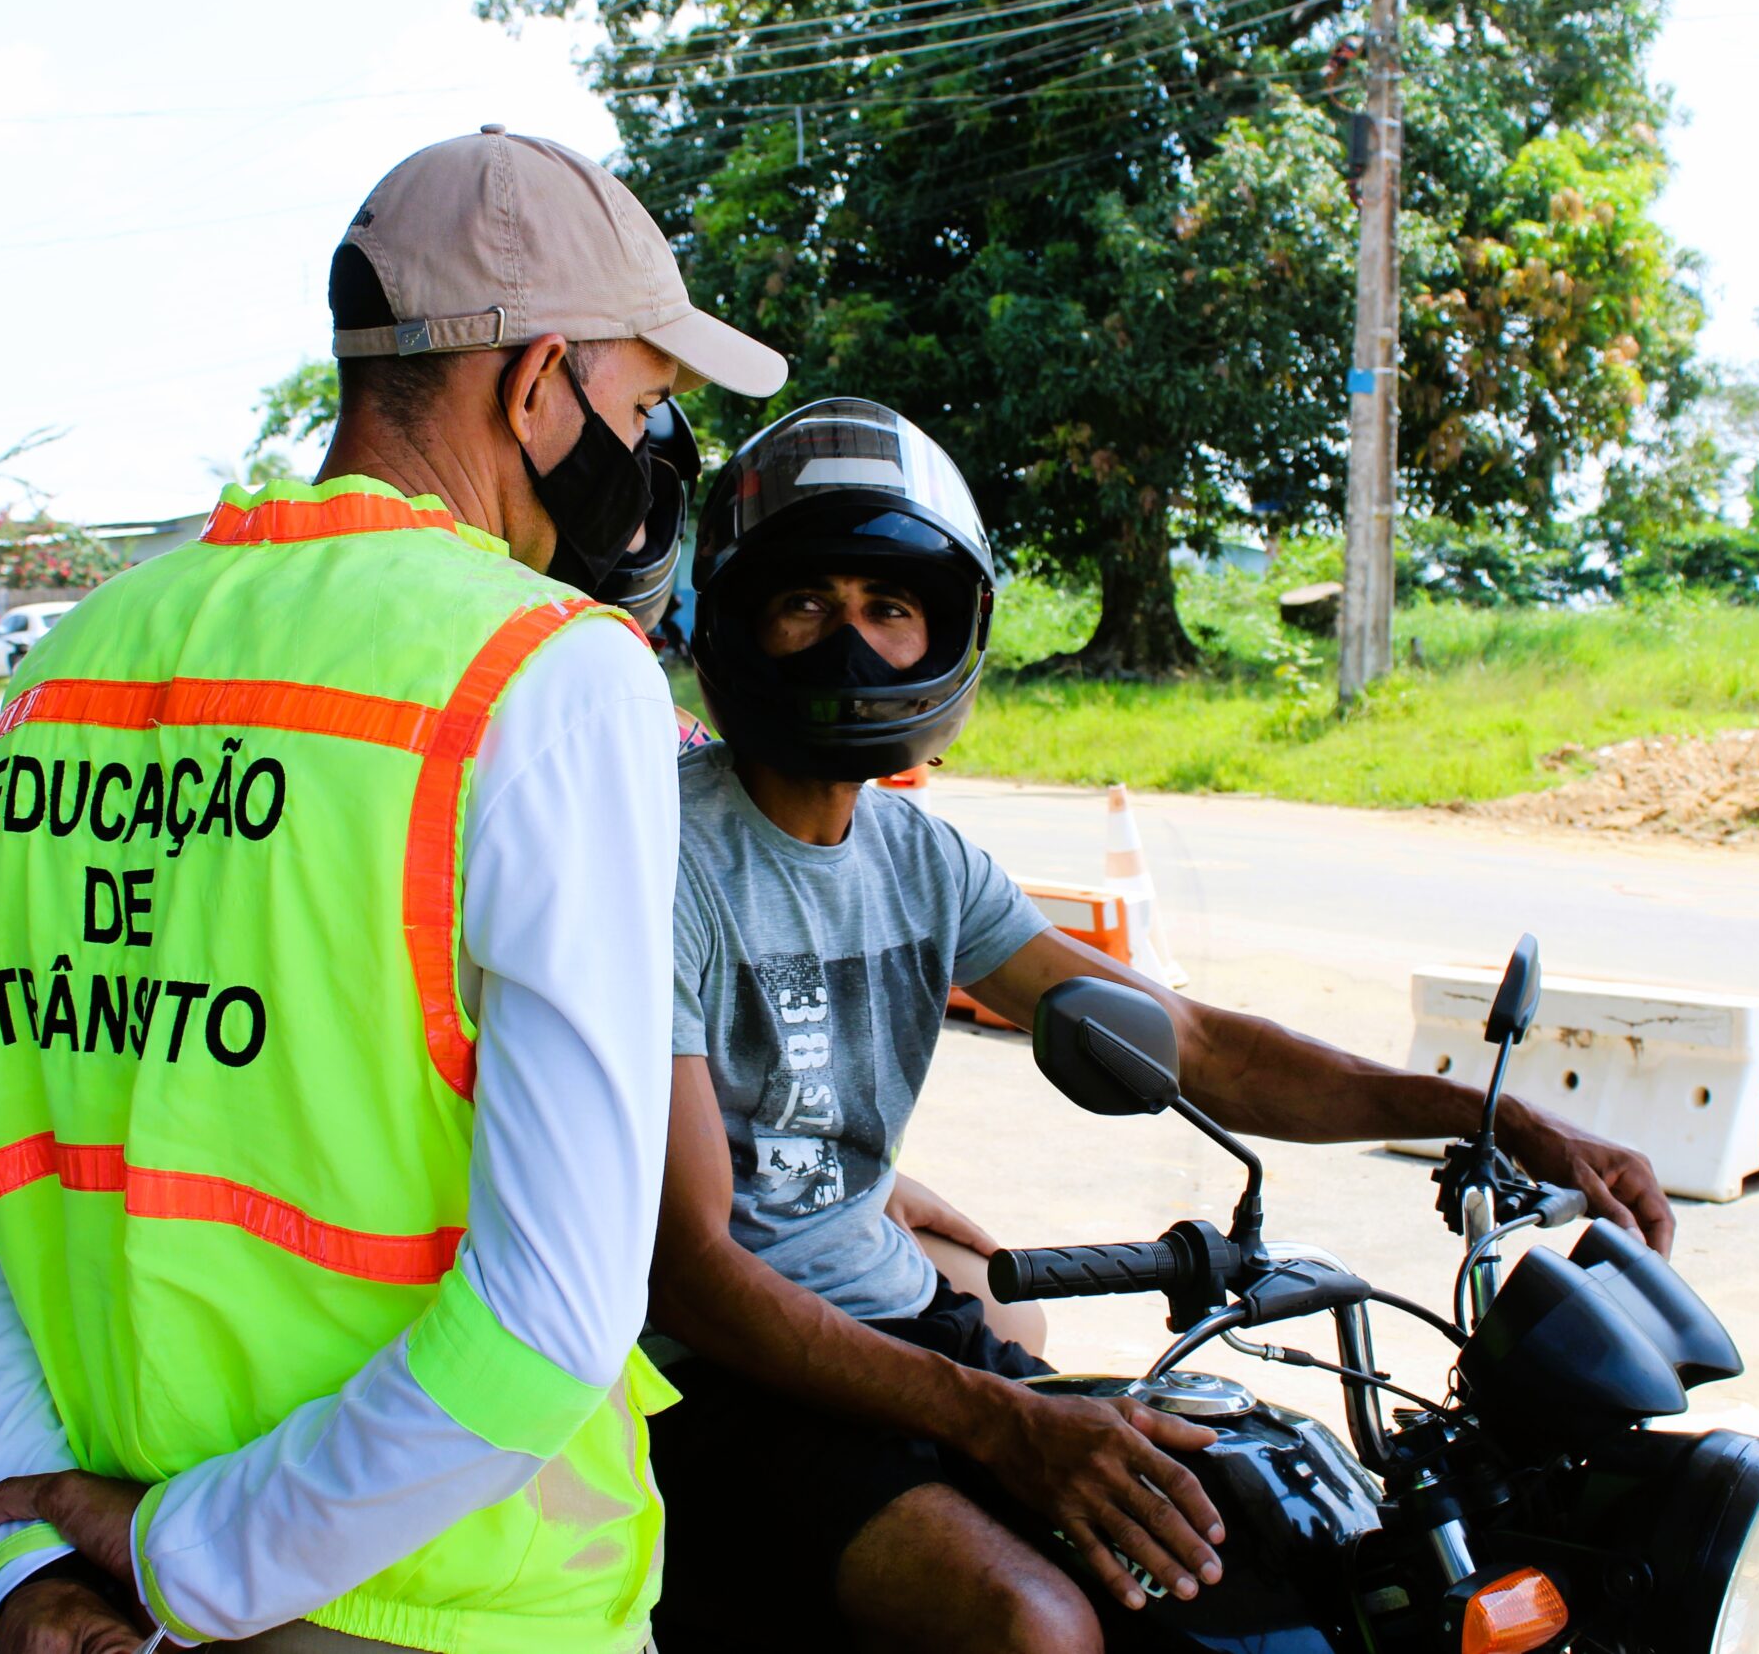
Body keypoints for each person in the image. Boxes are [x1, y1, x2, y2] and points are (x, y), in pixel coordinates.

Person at [0, 127, 785, 1654]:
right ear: (533, 384)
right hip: (454, 1603)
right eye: (643, 406)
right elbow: (553, 1315)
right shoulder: (548, 676)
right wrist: (197, 1554)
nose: (649, 457)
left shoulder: (66, 669)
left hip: (105, 1590)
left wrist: (27, 1551)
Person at [644, 398, 1677, 1654]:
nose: (851, 644)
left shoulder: (918, 860)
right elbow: (691, 1275)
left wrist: (1488, 1113)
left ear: (942, 632)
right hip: (715, 1381)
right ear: (739, 621)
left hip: (897, 1325)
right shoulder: (667, 859)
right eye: (806, 604)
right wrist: (996, 1419)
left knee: (1262, 1543)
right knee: (1035, 1625)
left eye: (888, 606)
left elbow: (1195, 1046)